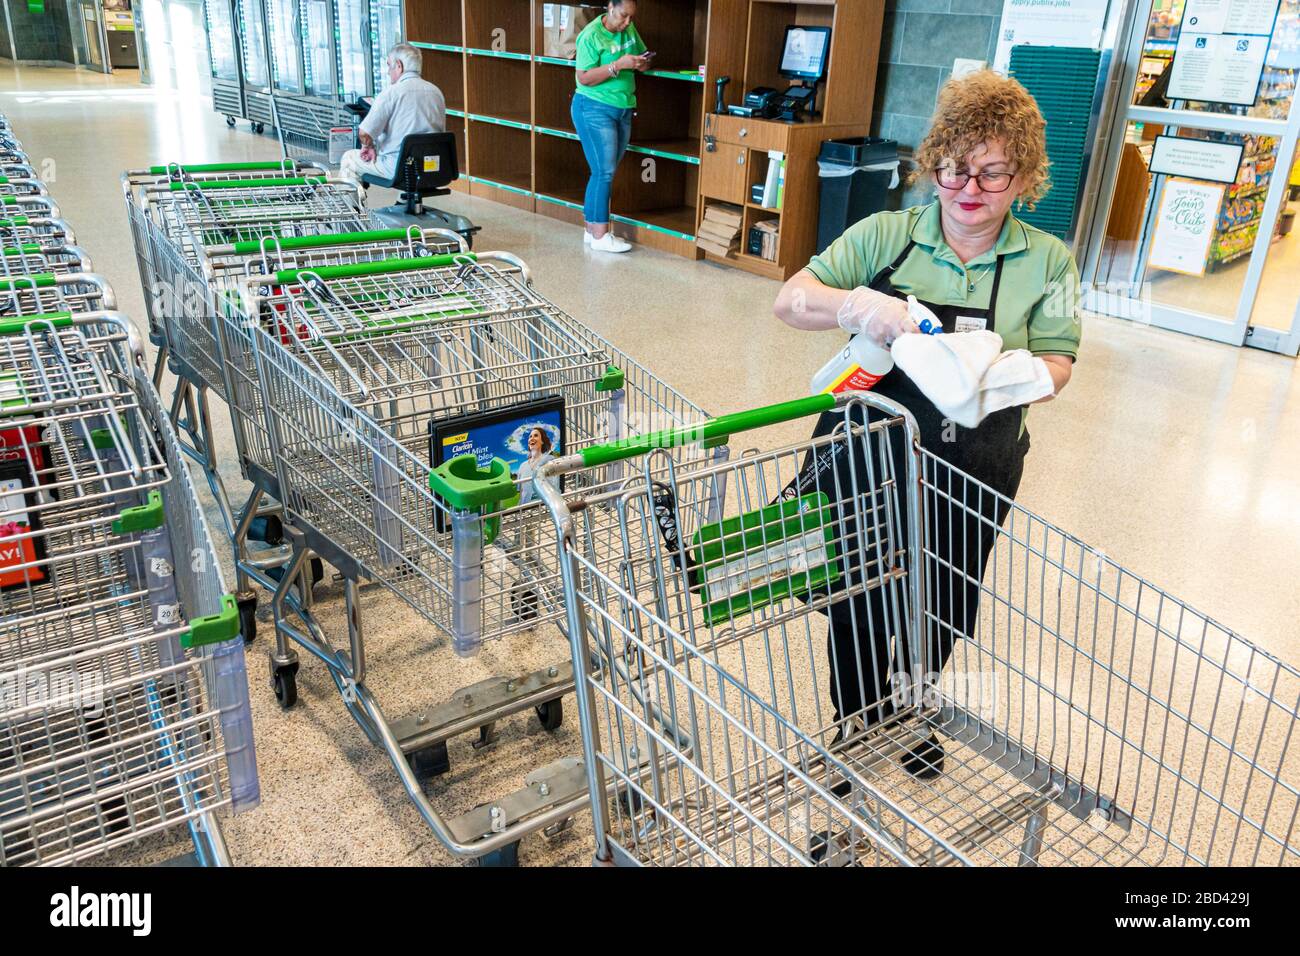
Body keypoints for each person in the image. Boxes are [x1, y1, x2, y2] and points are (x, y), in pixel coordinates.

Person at [773, 70, 1081, 779]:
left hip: (977, 465)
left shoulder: (1049, 261)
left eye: (992, 172)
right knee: (856, 598)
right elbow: (792, 300)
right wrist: (858, 308)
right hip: (865, 454)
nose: (968, 190)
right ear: (933, 162)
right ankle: (857, 720)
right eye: (953, 168)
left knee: (941, 600)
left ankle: (909, 709)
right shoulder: (887, 235)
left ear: (1025, 174)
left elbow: (1060, 362)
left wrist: (1007, 378)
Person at [572, 0, 653, 253]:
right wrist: (618, 65)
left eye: (631, 17)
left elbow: (644, 59)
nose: (627, 22)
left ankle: (590, 230)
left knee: (603, 172)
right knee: (603, 172)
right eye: (623, 16)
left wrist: (641, 63)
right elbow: (583, 77)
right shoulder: (590, 36)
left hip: (623, 107)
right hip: (594, 108)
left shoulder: (628, 29)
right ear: (609, 7)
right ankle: (600, 236)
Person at [339, 43, 446, 187]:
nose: (388, 72)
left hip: (398, 169)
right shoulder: (436, 92)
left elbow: (364, 133)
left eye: (389, 66)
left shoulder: (392, 93)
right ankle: (408, 204)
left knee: (349, 158)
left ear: (399, 66)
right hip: (434, 167)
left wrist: (368, 146)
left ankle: (351, 209)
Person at [515, 426, 555, 505]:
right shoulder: (522, 466)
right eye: (530, 436)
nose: (532, 438)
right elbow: (521, 492)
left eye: (536, 435)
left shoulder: (549, 460)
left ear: (542, 441)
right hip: (524, 511)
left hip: (545, 507)